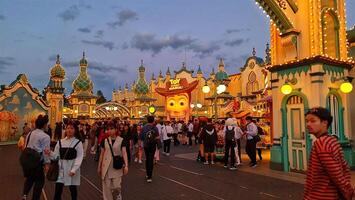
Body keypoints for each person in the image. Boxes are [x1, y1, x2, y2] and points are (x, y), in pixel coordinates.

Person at [304, 107, 354, 200]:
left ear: (324, 123)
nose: (308, 124)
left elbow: (336, 173)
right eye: (307, 121)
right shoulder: (332, 140)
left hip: (320, 195)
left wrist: (348, 192)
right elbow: (345, 167)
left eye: (313, 121)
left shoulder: (321, 143)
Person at [21, 115, 51, 200]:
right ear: (44, 125)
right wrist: (47, 165)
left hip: (27, 160)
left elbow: (26, 146)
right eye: (47, 124)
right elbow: (46, 152)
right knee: (39, 182)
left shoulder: (30, 133)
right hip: (37, 163)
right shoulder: (45, 136)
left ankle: (24, 195)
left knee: (29, 179)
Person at [52, 121, 84, 200]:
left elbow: (79, 157)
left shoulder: (78, 143)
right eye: (68, 128)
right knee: (58, 190)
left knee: (73, 190)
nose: (69, 130)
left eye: (72, 128)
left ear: (75, 130)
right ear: (65, 129)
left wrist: (74, 169)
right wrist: (49, 153)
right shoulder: (60, 142)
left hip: (72, 169)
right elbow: (56, 156)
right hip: (61, 169)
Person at [98, 121, 129, 200]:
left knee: (116, 185)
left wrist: (126, 165)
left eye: (111, 129)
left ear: (116, 129)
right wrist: (99, 166)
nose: (109, 131)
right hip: (106, 166)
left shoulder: (121, 140)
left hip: (117, 166)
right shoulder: (104, 141)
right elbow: (101, 154)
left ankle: (118, 192)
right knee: (106, 187)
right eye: (108, 129)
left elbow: (124, 153)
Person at [140, 116, 160, 183]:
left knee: (147, 158)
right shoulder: (155, 128)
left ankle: (147, 173)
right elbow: (157, 137)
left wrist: (140, 145)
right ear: (153, 120)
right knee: (151, 159)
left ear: (147, 120)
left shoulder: (144, 127)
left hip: (146, 145)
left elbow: (141, 137)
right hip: (153, 145)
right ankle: (149, 176)